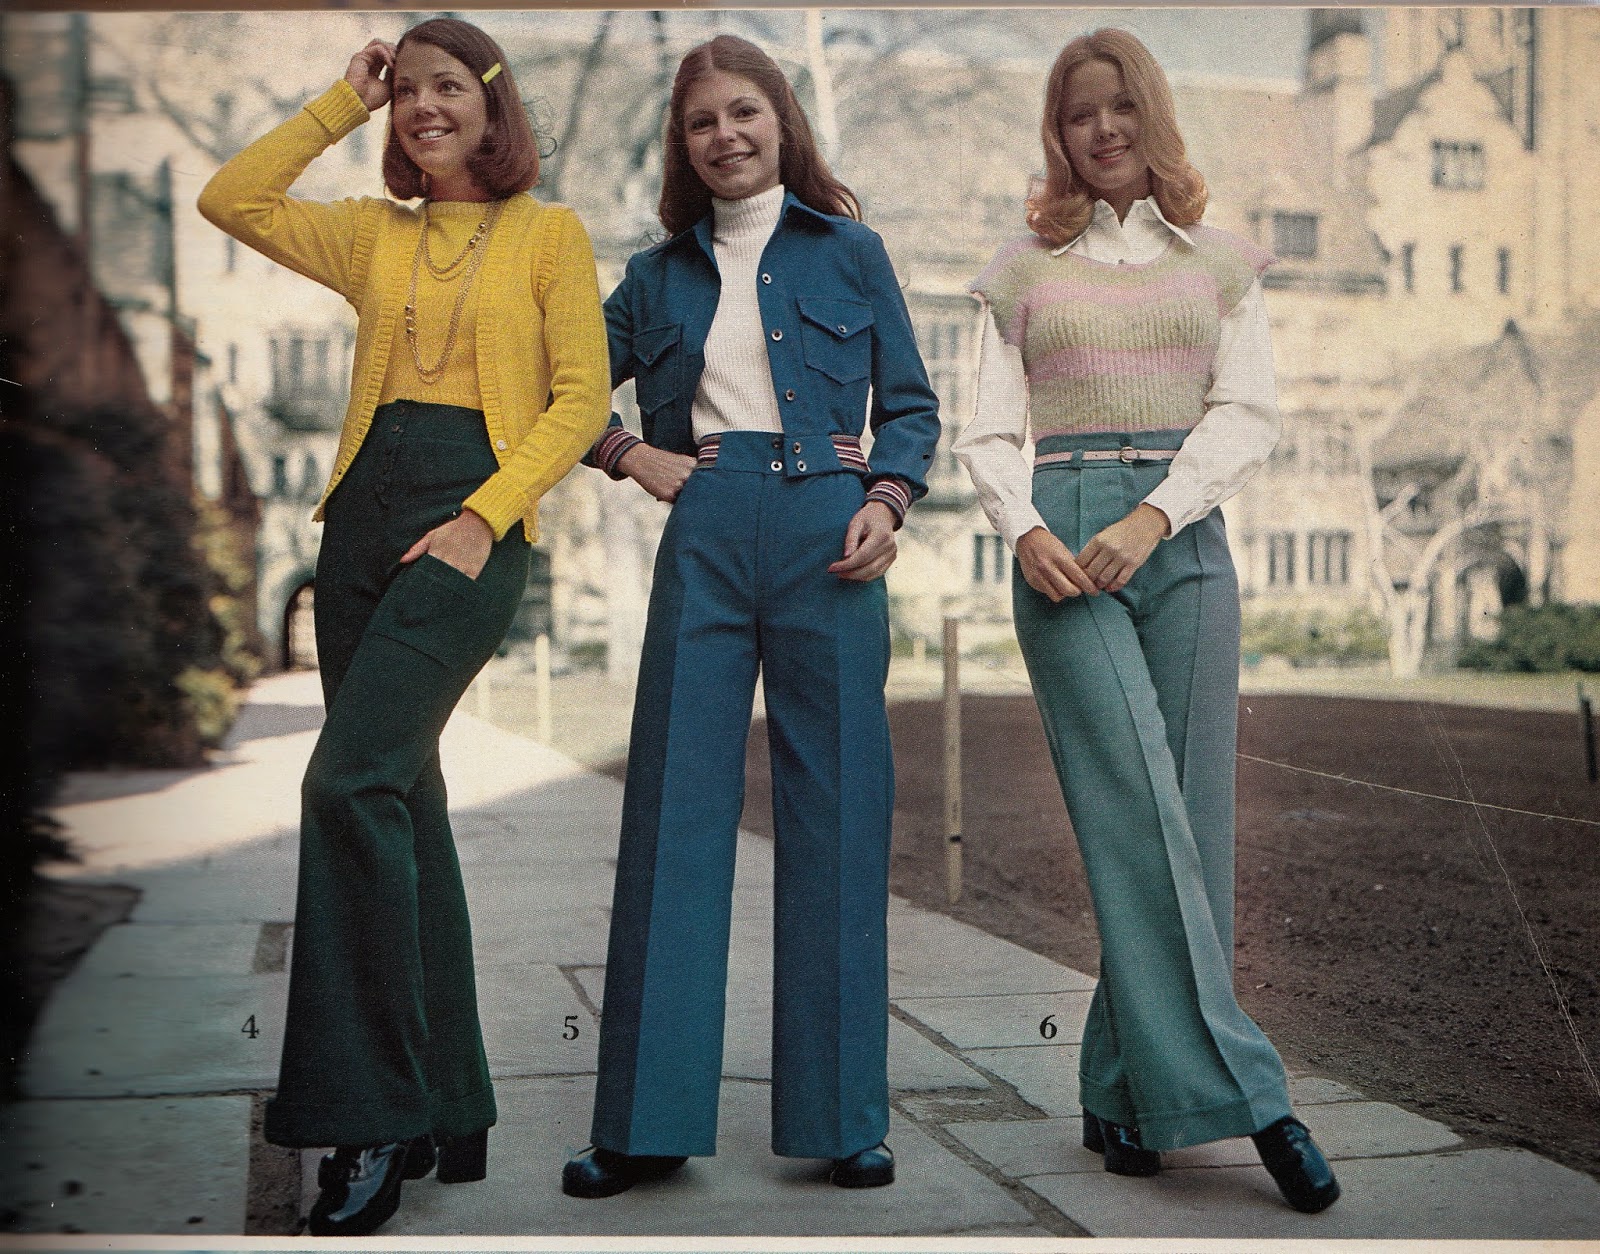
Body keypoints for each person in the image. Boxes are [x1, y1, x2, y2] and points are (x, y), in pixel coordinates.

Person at [198, 18, 610, 1235]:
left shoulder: (548, 235)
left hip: (468, 524)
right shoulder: (374, 233)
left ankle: (372, 1113)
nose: (424, 106)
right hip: (358, 525)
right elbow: (233, 197)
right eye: (407, 91)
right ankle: (450, 1104)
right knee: (403, 801)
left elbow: (581, 397)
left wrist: (485, 517)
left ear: (494, 104)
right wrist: (342, 98)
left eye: (449, 87)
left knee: (347, 785)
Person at [953, 28, 1340, 1214]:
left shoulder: (1220, 262)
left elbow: (1248, 410)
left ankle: (1117, 1089)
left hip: (1182, 539)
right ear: (1058, 134)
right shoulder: (1021, 268)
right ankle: (1256, 1100)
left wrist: (1158, 514)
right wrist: (1025, 528)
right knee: (1133, 810)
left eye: (1120, 106)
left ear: (1151, 115)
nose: (1103, 128)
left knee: (1192, 833)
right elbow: (984, 430)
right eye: (1079, 113)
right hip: (1062, 545)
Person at [560, 34, 940, 1199]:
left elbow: (912, 407)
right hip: (708, 524)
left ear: (781, 120)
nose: (723, 136)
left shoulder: (851, 252)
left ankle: (842, 1119)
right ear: (680, 144)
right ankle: (644, 1123)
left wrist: (886, 498)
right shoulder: (654, 277)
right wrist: (627, 453)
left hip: (831, 530)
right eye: (700, 122)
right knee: (675, 807)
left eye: (743, 112)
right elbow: (554, 385)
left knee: (838, 810)